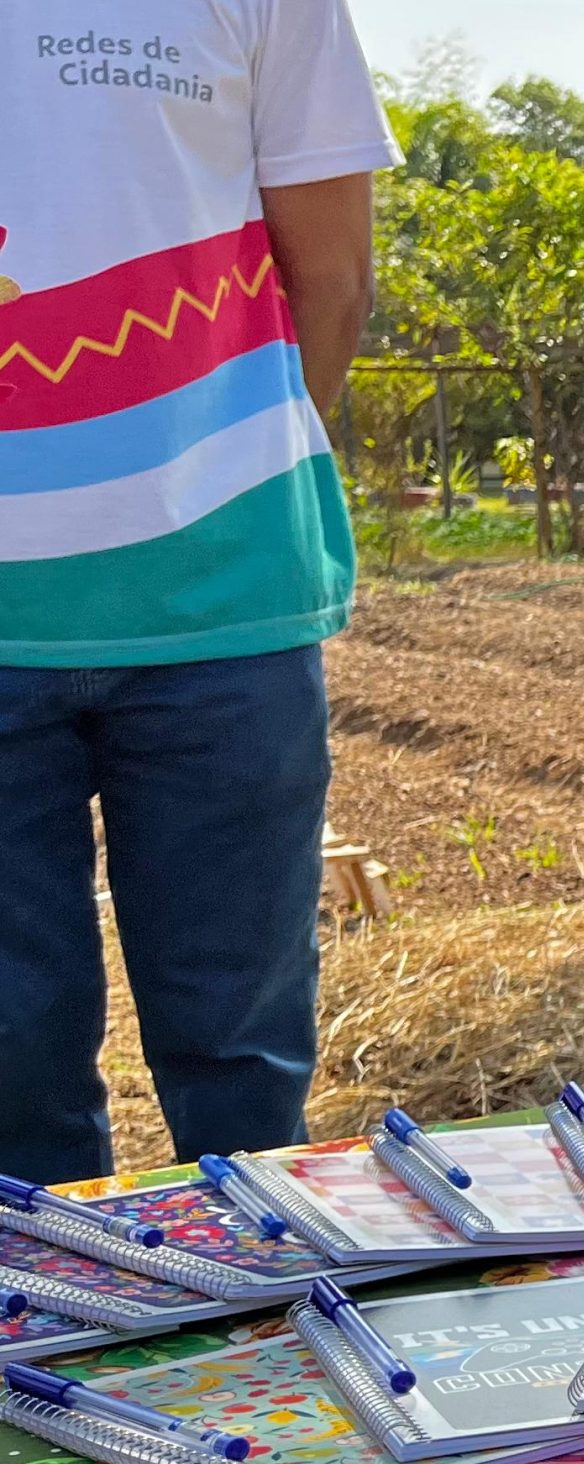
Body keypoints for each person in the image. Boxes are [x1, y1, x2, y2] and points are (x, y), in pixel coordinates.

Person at [0, 1, 395, 1180]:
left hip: (226, 604)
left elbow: (333, 279)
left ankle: (250, 1292)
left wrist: (218, 476)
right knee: (11, 1071)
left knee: (243, 1071)